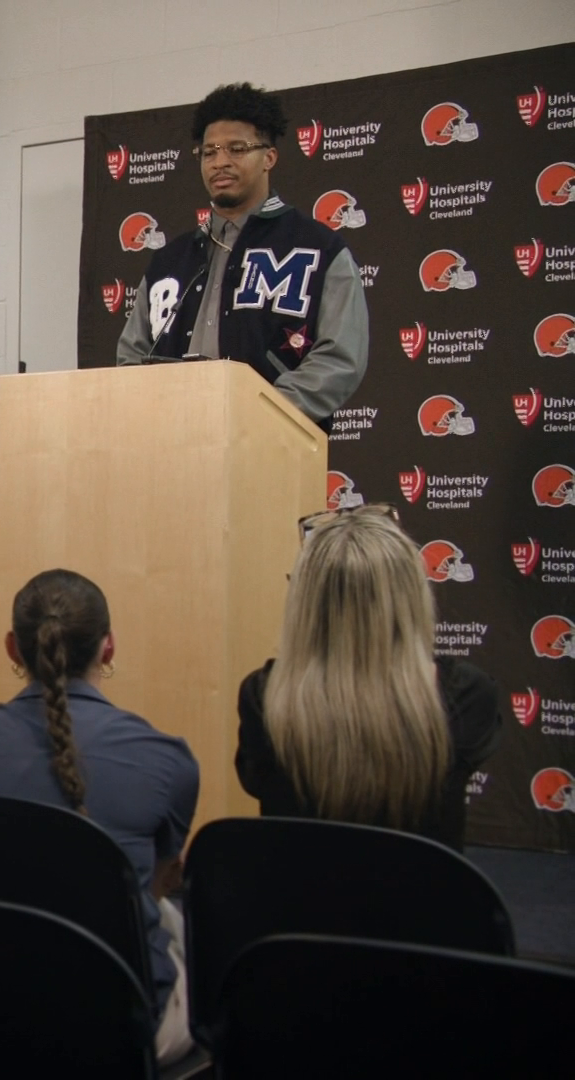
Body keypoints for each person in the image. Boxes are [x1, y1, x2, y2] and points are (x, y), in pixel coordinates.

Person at [0, 569, 199, 1065]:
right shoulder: (168, 760)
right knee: (176, 924)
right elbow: (159, 884)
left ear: (13, 648)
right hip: (118, 1029)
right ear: (108, 647)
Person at [237, 508, 503, 849]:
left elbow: (257, 782)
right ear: (412, 595)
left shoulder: (263, 696)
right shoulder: (467, 695)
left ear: (304, 601)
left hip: (300, 883)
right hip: (422, 884)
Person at [114, 83, 368, 426]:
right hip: (174, 442)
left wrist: (259, 414)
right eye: (209, 152)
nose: (220, 162)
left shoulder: (319, 248)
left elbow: (340, 358)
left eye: (237, 149)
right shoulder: (169, 261)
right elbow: (131, 356)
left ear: (269, 158)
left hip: (272, 444)